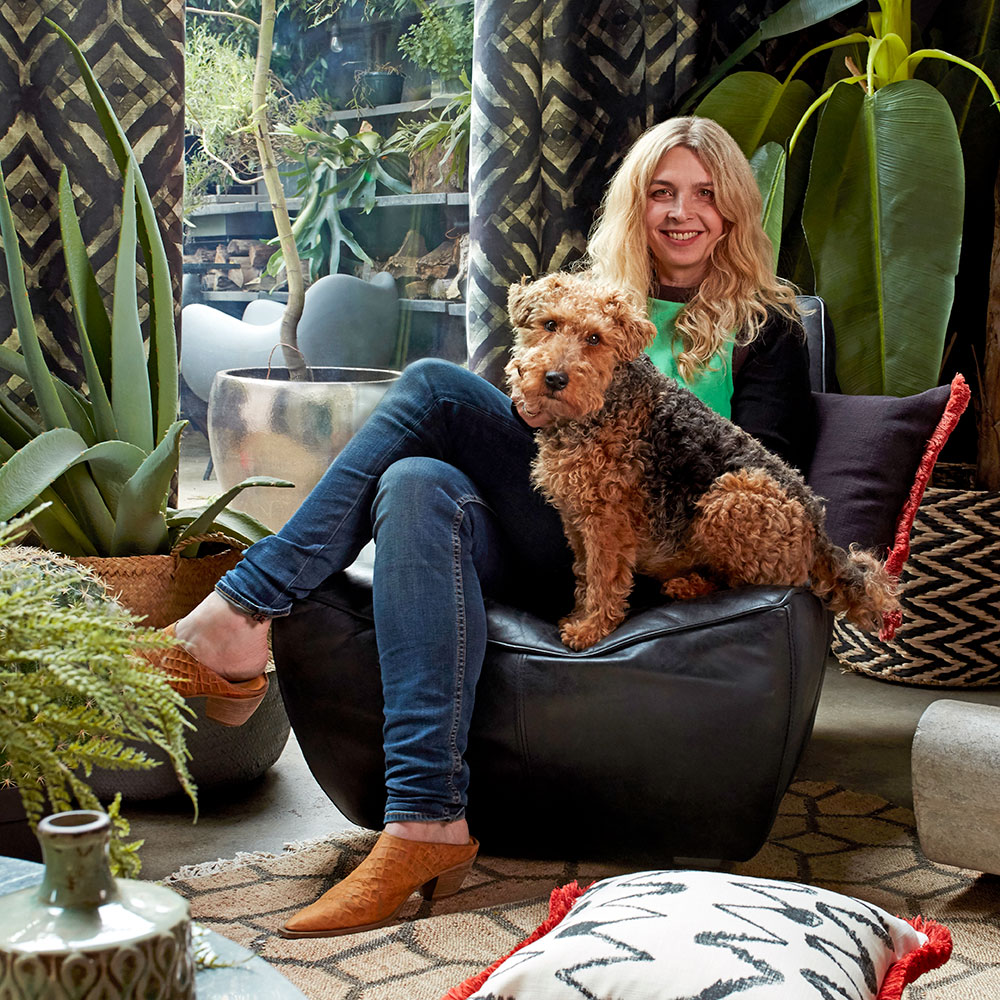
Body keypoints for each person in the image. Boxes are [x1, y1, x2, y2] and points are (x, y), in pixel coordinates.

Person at [156, 116, 815, 938]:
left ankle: (253, 615)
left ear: (734, 211)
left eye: (706, 195)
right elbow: (511, 417)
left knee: (431, 396)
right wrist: (539, 403)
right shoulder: (579, 299)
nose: (683, 213)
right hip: (545, 527)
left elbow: (762, 476)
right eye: (662, 192)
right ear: (636, 204)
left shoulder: (765, 325)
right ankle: (425, 817)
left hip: (649, 558)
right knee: (417, 476)